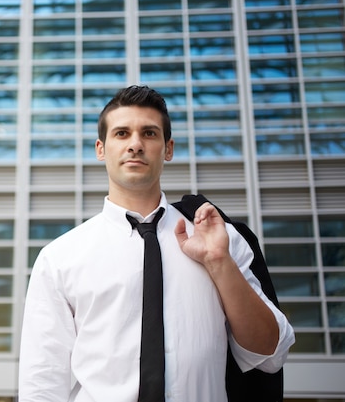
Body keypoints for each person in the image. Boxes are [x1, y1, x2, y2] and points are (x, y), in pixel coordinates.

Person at [18, 85, 295, 401]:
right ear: (100, 149)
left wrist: (219, 262)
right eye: (122, 134)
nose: (135, 144)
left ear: (168, 148)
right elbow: (42, 384)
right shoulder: (59, 258)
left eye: (149, 134)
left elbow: (270, 355)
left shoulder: (218, 240)